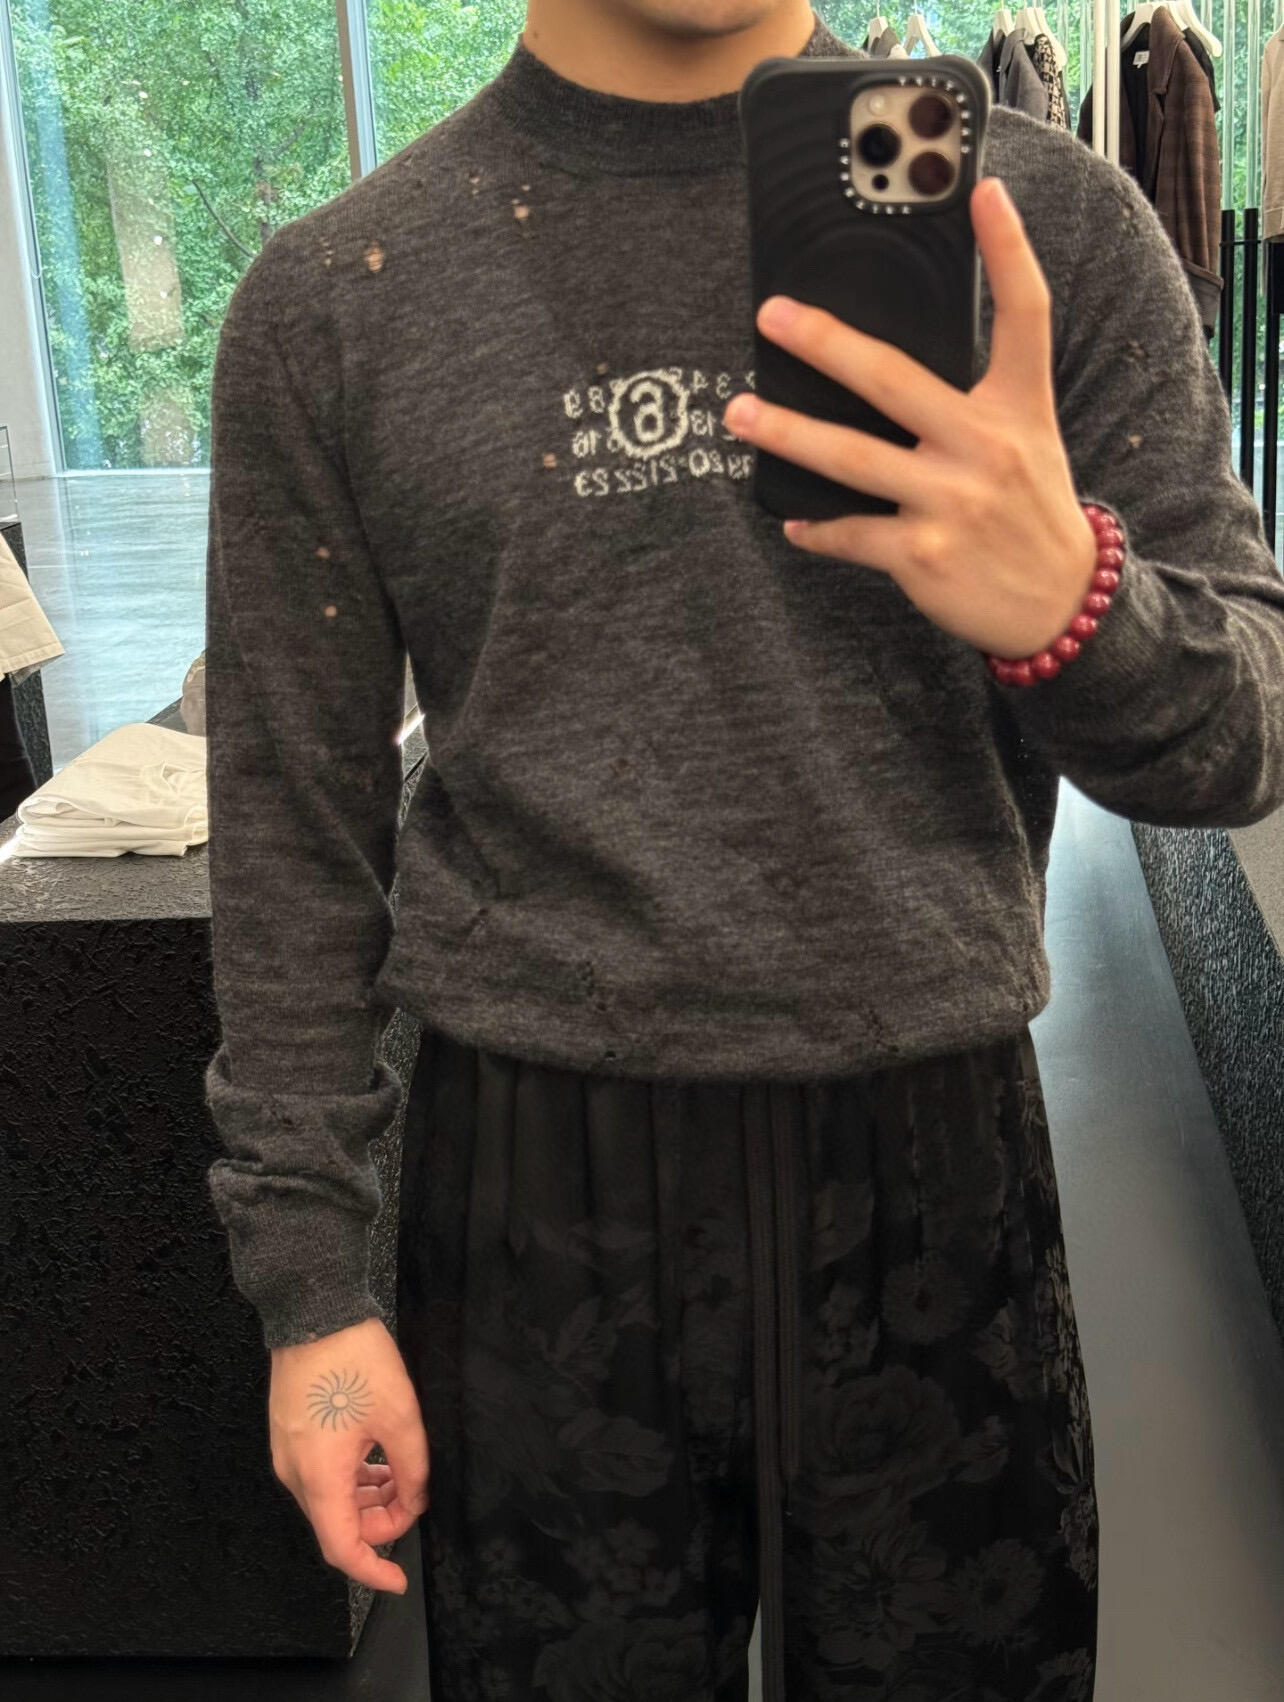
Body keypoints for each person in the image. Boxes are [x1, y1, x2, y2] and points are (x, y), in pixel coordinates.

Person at [200, 2, 1284, 1699]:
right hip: (532, 1197)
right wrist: (310, 1293)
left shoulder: (1042, 232)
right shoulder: (338, 299)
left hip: (941, 1174)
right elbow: (293, 834)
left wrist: (1073, 602)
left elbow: (1240, 736)